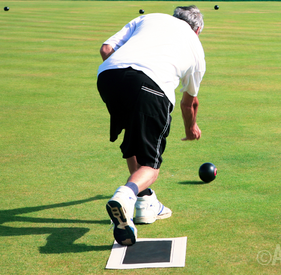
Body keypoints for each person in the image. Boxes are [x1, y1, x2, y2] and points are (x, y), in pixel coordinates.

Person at [97, 5, 205, 246]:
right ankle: (125, 195)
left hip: (108, 76)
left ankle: (145, 202)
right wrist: (191, 129)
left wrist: (125, 78)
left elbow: (106, 49)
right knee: (151, 166)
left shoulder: (150, 18)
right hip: (151, 86)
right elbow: (190, 103)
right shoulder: (196, 48)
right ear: (197, 30)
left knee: (133, 139)